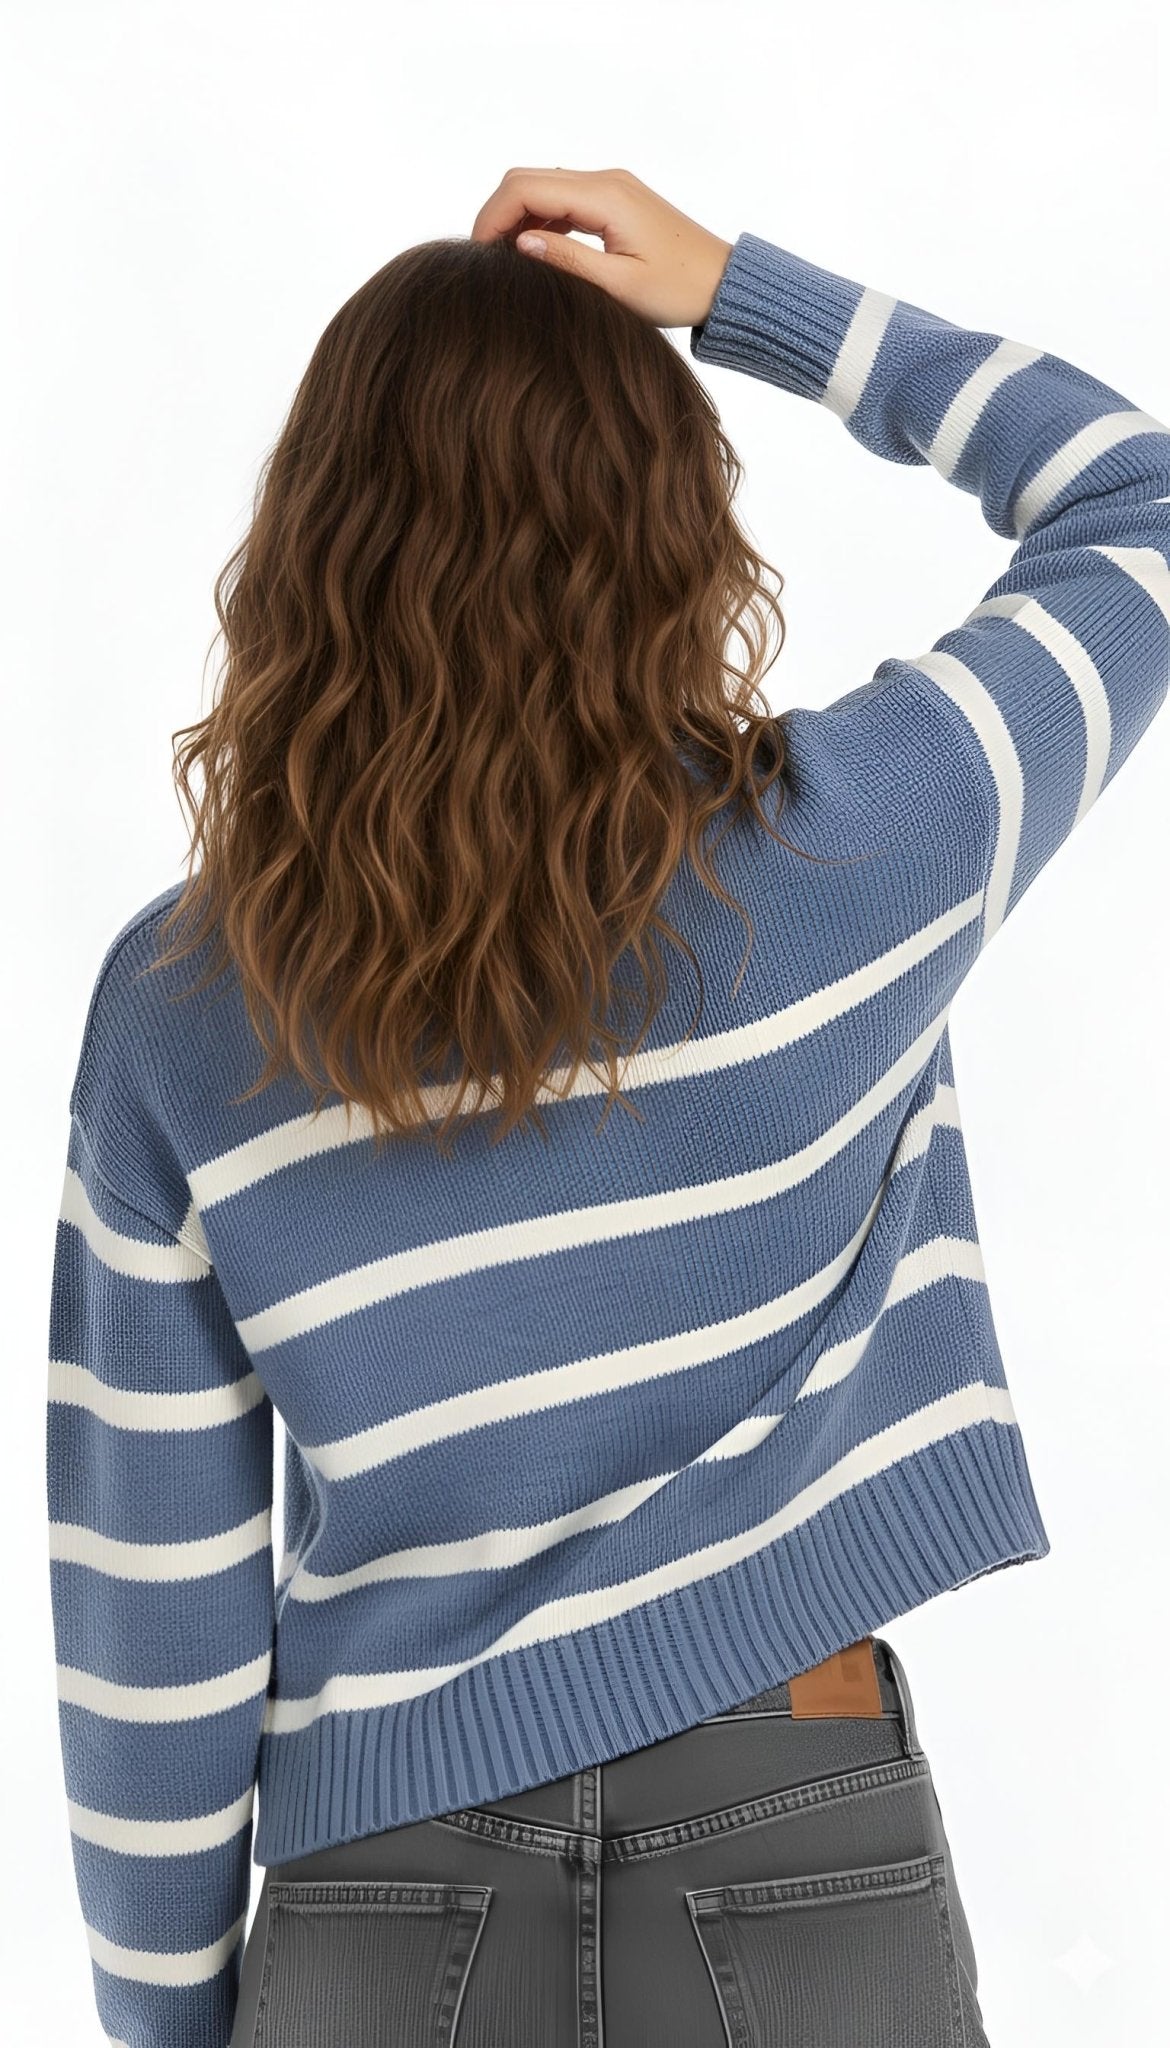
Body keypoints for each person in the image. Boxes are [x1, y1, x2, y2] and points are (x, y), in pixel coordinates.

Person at [45, 166, 1168, 2048]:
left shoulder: (179, 1010)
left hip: (379, 1892)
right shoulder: (855, 843)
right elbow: (1137, 501)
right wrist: (742, 296)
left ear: (318, 546)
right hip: (797, 1819)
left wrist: (170, 2024)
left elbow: (152, 1604)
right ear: (675, 532)